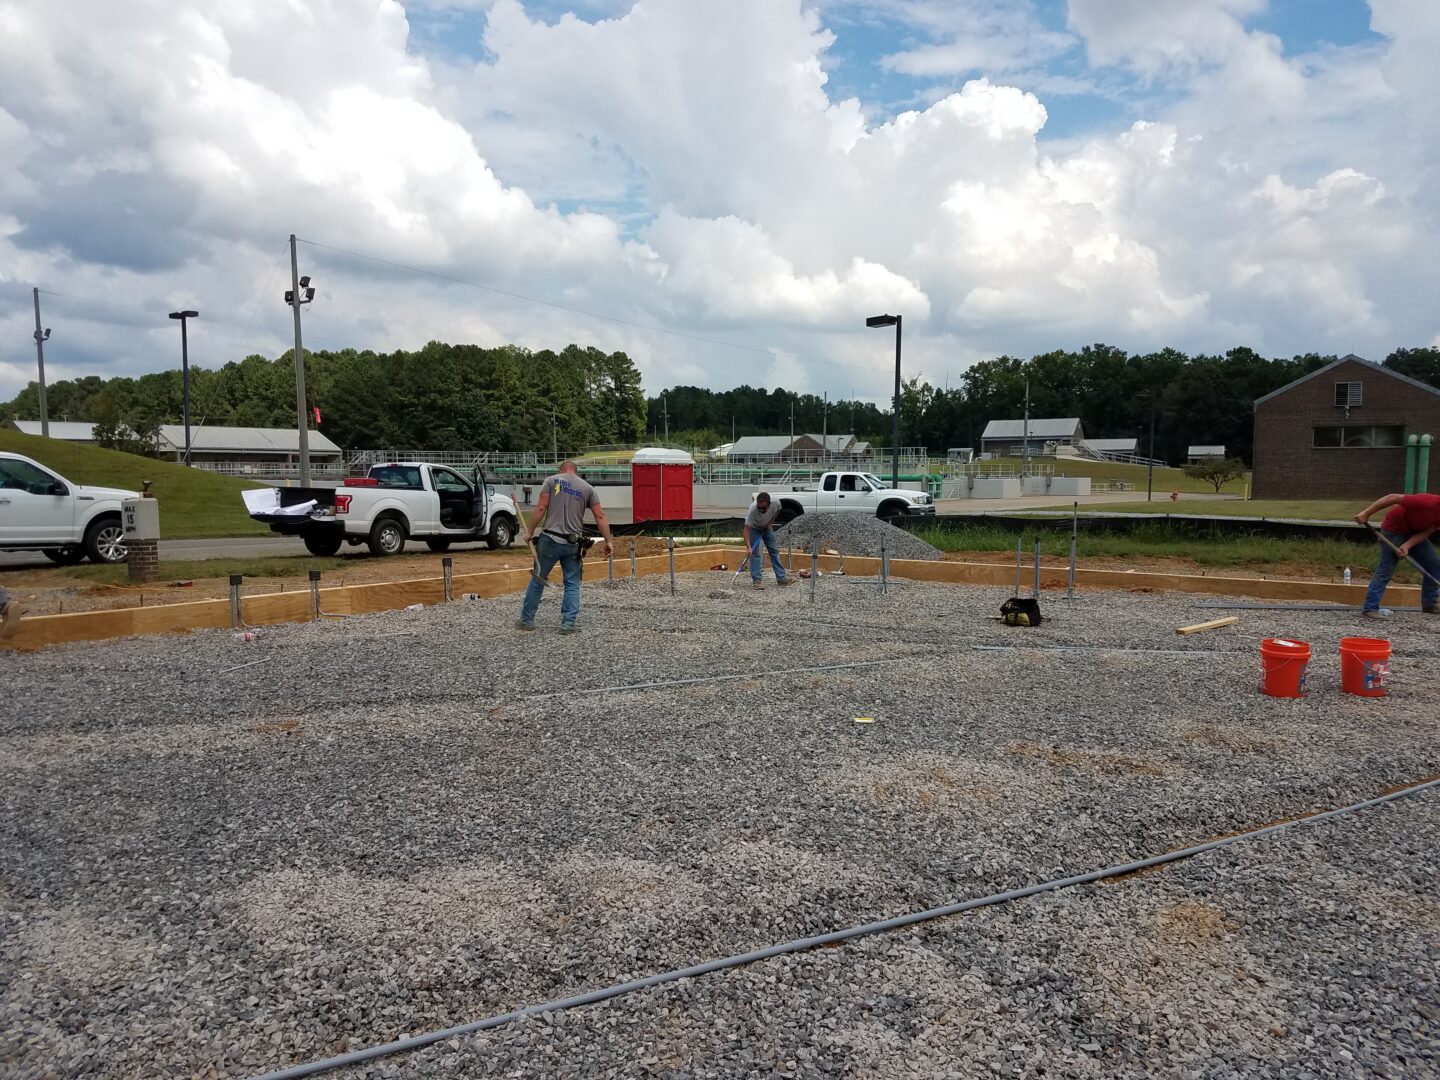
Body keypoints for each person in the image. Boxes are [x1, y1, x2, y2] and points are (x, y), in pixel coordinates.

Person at [516, 461, 614, 633]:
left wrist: (529, 531)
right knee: (572, 583)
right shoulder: (588, 488)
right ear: (576, 472)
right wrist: (608, 541)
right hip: (573, 543)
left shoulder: (552, 481)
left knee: (539, 578)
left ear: (561, 470)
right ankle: (568, 624)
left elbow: (541, 508)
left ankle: (526, 620)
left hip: (549, 540)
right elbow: (600, 516)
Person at [1353, 491, 1440, 618]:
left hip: (1414, 533)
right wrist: (1366, 513)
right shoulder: (1427, 502)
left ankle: (1429, 605)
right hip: (1394, 530)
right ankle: (1370, 608)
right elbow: (1392, 497)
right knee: (1386, 570)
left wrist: (1407, 545)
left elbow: (1427, 531)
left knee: (1433, 564)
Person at [743, 492, 796, 591]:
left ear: (769, 504)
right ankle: (757, 581)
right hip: (754, 528)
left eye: (763, 508)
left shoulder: (776, 503)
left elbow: (777, 511)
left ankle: (781, 578)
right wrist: (749, 547)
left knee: (774, 551)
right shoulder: (753, 509)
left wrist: (770, 523)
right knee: (755, 554)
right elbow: (746, 530)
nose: (761, 510)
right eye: (759, 508)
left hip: (767, 527)